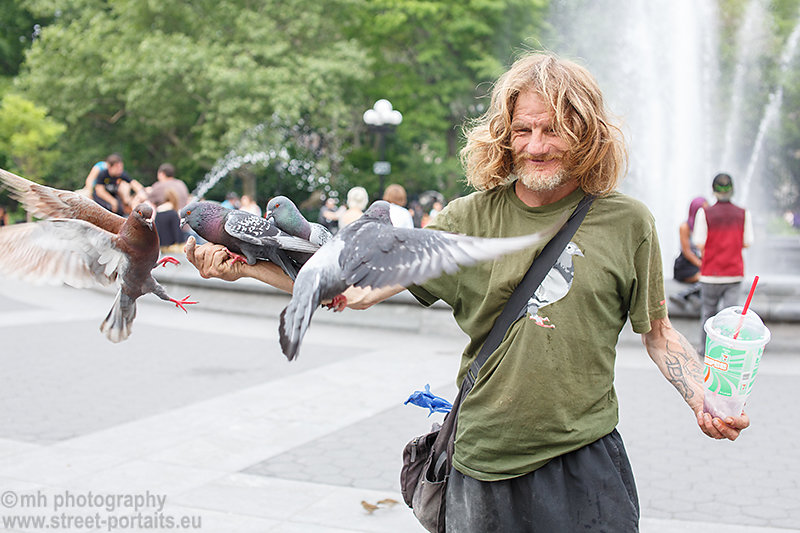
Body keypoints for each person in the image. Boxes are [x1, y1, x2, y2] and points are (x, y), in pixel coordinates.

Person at [183, 52, 749, 532]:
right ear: (505, 133)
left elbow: (658, 332)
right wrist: (245, 271)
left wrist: (702, 396)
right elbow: (350, 291)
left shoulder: (628, 222)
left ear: (584, 131)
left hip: (586, 464)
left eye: (552, 128)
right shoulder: (465, 219)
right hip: (483, 466)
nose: (535, 145)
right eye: (523, 129)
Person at [692, 173, 754, 355]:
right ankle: (728, 350)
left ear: (713, 191)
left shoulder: (705, 213)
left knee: (708, 314)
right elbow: (747, 241)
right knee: (731, 318)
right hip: (733, 272)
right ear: (732, 190)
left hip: (711, 273)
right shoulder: (743, 213)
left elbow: (699, 241)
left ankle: (705, 349)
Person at [669, 196, 707, 311]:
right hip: (685, 264)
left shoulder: (706, 227)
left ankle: (689, 295)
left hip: (700, 262)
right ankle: (683, 295)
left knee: (711, 277)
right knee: (705, 278)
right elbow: (687, 252)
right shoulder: (684, 227)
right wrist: (702, 265)